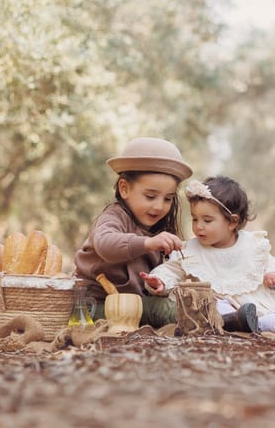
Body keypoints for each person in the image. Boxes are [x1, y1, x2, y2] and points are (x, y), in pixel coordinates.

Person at [140, 175, 275, 333]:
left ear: (232, 222)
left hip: (259, 299)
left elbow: (269, 262)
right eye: (194, 219)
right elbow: (172, 270)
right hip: (224, 305)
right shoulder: (191, 250)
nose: (199, 226)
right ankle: (255, 324)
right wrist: (159, 281)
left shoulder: (251, 243)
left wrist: (273, 274)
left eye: (207, 220)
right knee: (215, 310)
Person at [74, 137, 192, 328]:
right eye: (150, 196)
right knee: (163, 310)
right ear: (124, 188)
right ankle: (222, 322)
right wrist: (147, 243)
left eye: (168, 199)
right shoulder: (114, 216)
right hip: (95, 307)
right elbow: (105, 244)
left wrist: (159, 285)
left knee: (174, 303)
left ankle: (229, 317)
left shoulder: (159, 230)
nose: (159, 206)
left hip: (134, 306)